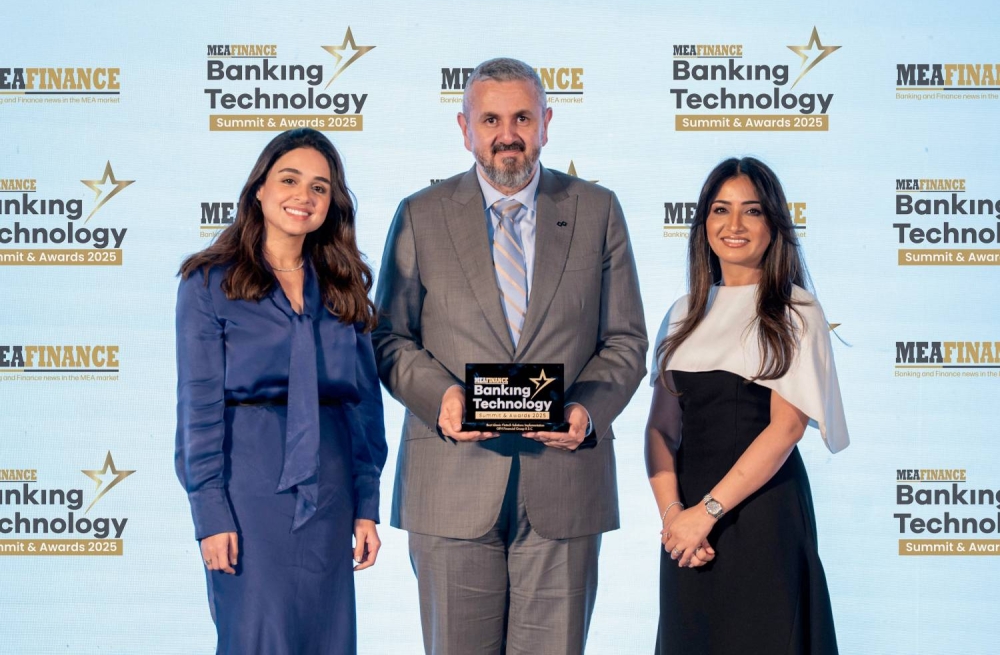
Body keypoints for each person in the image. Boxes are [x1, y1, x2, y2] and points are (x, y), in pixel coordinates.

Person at [373, 57, 647, 655]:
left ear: (546, 123)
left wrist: (586, 410)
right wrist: (442, 398)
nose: (507, 134)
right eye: (490, 119)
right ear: (464, 128)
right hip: (450, 485)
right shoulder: (420, 214)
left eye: (522, 117)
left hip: (565, 485)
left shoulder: (598, 210)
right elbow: (389, 337)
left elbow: (625, 339)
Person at [175, 128, 387, 655]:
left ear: (332, 203)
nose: (303, 196)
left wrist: (366, 503)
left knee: (327, 639)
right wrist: (210, 514)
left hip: (331, 492)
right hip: (247, 492)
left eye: (319, 187)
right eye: (289, 180)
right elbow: (198, 410)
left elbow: (364, 406)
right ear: (259, 190)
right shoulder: (208, 283)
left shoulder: (343, 284)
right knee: (256, 637)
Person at [645, 156, 848, 655]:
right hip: (687, 532)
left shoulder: (796, 310)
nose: (734, 225)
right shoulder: (681, 313)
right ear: (703, 222)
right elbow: (660, 430)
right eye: (721, 209)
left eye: (751, 211)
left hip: (761, 516)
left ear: (773, 224)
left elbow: (786, 430)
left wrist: (707, 513)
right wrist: (675, 518)